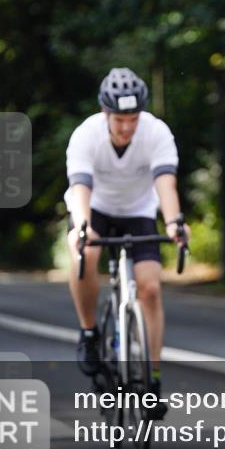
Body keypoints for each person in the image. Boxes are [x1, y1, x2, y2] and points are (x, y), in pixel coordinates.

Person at [64, 68, 190, 420]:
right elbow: (80, 186)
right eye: (119, 119)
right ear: (106, 114)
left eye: (132, 119)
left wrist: (174, 223)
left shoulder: (156, 132)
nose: (126, 127)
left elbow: (166, 183)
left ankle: (152, 379)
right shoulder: (85, 135)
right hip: (96, 207)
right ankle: (89, 332)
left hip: (138, 210)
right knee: (85, 253)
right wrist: (82, 226)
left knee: (150, 287)